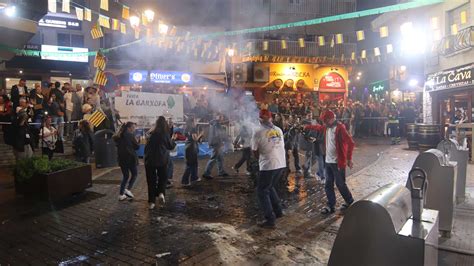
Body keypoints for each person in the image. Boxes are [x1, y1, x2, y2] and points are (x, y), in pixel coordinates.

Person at [305, 110, 355, 215]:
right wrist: (307, 127)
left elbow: (351, 142)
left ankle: (349, 200)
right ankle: (330, 205)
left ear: (331, 119)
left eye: (325, 120)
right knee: (328, 184)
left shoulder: (340, 128)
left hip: (338, 162)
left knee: (340, 184)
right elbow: (318, 127)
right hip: (328, 161)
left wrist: (349, 159)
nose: (324, 123)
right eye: (323, 121)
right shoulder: (326, 127)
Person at [252, 109, 286, 229]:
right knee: (270, 187)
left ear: (260, 119)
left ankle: (270, 219)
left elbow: (255, 151)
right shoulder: (278, 130)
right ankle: (278, 211)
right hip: (281, 164)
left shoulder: (257, 132)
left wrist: (259, 159)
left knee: (262, 191)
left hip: (268, 165)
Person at [144, 116, 177, 210]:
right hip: (161, 160)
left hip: (149, 160)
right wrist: (173, 139)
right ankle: (161, 192)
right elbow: (170, 146)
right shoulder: (164, 134)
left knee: (151, 181)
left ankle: (151, 202)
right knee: (163, 177)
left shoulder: (150, 133)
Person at [113, 122, 140, 201]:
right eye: (133, 127)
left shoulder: (119, 135)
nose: (134, 129)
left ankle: (121, 195)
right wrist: (137, 140)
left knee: (125, 176)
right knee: (134, 174)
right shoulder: (130, 135)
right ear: (129, 128)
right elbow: (137, 147)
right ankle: (128, 189)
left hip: (122, 158)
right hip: (130, 158)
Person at [203, 115, 229, 179]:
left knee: (220, 158)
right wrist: (222, 141)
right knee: (213, 158)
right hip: (217, 143)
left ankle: (221, 171)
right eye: (222, 117)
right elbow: (218, 134)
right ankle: (206, 173)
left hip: (214, 142)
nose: (223, 118)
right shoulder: (217, 125)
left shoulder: (213, 124)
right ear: (219, 117)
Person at [181, 117, 203, 186]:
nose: (196, 121)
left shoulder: (186, 128)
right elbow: (195, 139)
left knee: (193, 163)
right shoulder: (193, 129)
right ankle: (185, 181)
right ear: (192, 122)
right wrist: (201, 134)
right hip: (192, 148)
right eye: (195, 120)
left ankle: (194, 177)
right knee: (190, 165)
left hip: (188, 146)